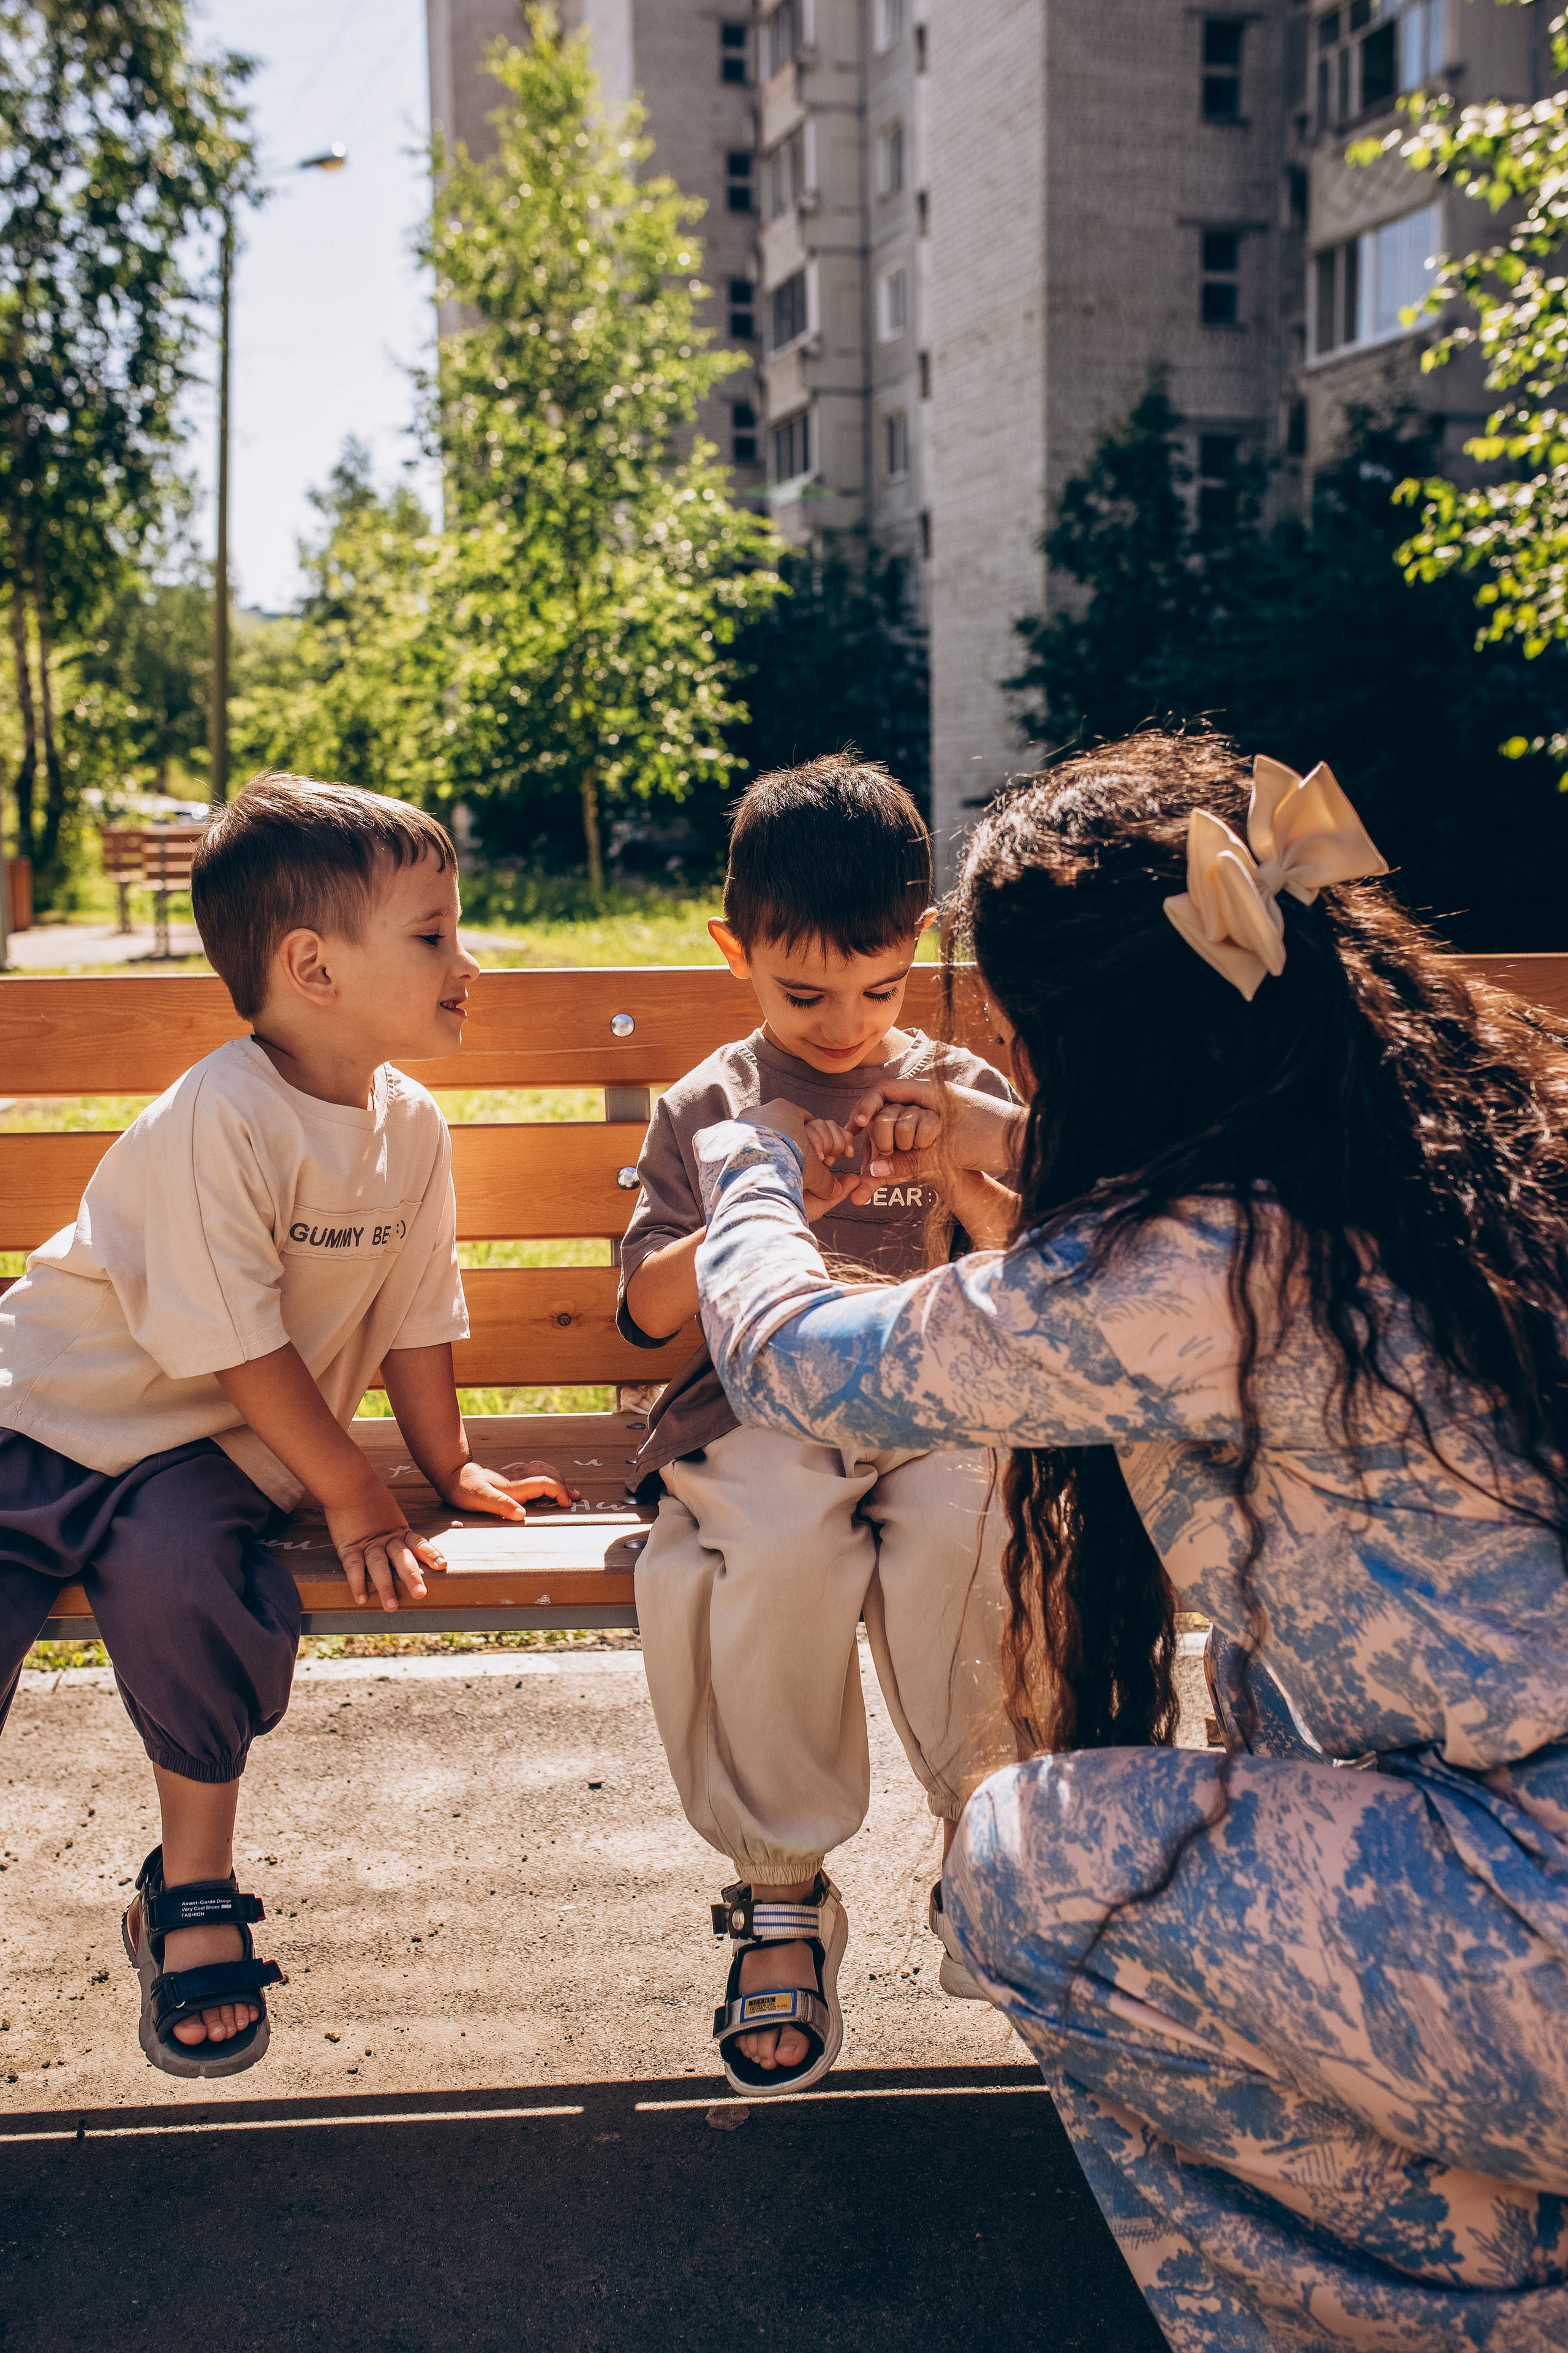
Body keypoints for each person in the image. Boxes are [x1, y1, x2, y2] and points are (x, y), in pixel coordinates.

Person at [682, 733, 1568, 2346]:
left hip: (1535, 1934)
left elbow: (794, 1361)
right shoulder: (1452, 1131)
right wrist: (1002, 1149)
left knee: (1024, 1868)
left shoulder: (1192, 1268)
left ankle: (1464, 2294)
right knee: (1256, 1700)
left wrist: (743, 1159)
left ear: (1089, 1040)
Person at [0, 775, 571, 2080]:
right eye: (433, 934)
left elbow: (416, 1310)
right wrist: (355, 1494)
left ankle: (191, 1888)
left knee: (190, 1582)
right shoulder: (222, 1112)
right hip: (43, 1422)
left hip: (197, 1460)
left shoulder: (410, 1126)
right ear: (313, 967)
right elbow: (241, 1341)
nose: (467, 962)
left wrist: (446, 1464)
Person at [617, 755, 1020, 2095]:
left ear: (921, 947)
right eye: (804, 994)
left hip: (927, 1399)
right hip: (754, 1411)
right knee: (779, 1537)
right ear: (733, 951)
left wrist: (964, 1166)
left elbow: (1024, 1271)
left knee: (973, 1525)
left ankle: (988, 1838)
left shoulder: (950, 1084)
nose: (846, 1023)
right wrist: (765, 1191)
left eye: (880, 988)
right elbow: (647, 1314)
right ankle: (781, 1885)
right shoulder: (710, 1104)